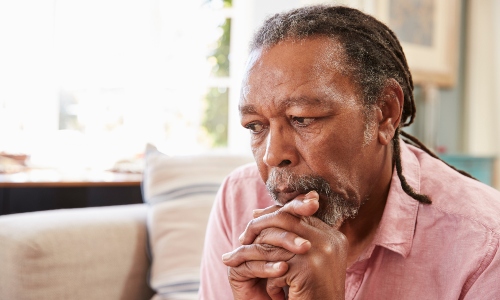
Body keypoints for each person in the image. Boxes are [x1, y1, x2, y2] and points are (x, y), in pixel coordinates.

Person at [199, 5, 500, 300]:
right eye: (255, 126)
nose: (272, 155)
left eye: (302, 118)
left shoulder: (485, 247)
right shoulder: (238, 200)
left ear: (385, 113)